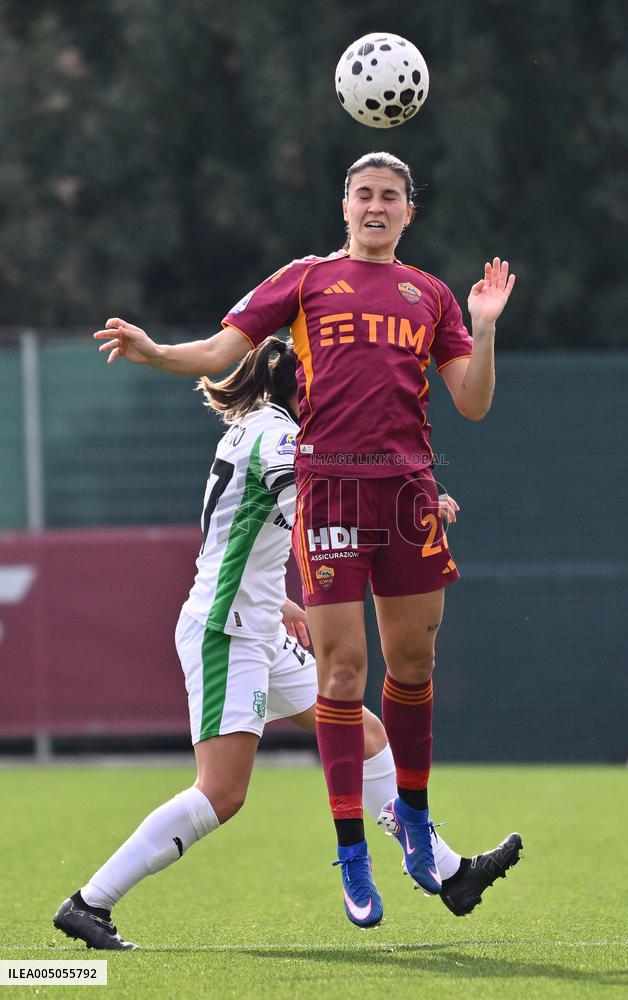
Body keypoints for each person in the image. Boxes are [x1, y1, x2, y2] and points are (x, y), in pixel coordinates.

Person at [92, 152, 519, 929]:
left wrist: (483, 332)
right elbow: (227, 350)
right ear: (346, 206)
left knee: (413, 666)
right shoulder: (307, 279)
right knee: (345, 673)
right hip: (331, 488)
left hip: (407, 493)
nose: (376, 206)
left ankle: (424, 838)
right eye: (364, 194)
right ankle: (355, 855)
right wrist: (157, 354)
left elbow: (474, 402)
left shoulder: (429, 295)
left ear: (408, 211)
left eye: (391, 196)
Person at [54, 338, 519, 947]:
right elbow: (324, 504)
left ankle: (452, 873)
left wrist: (280, 600)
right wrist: (416, 499)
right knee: (221, 792)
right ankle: (89, 903)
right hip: (226, 632)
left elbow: (258, 528)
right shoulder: (277, 438)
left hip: (259, 625)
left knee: (367, 733)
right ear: (305, 388)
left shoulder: (266, 428)